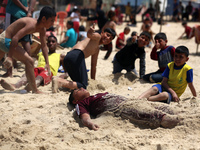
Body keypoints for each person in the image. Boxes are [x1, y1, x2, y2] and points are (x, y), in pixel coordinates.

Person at [0, 6, 56, 93]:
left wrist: (47, 63)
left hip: (4, 38)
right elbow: (15, 38)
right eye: (51, 20)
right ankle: (35, 90)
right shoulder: (32, 25)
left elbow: (44, 46)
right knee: (29, 61)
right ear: (44, 19)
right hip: (6, 40)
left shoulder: (42, 29)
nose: (53, 23)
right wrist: (10, 57)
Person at [68, 87, 180, 131]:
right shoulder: (81, 104)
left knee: (168, 109)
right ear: (75, 101)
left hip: (132, 101)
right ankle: (179, 122)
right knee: (157, 116)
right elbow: (84, 116)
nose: (81, 88)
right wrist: (90, 124)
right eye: (77, 91)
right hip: (121, 109)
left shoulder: (94, 96)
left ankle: (182, 118)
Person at [52, 26, 116, 93]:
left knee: (79, 83)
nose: (108, 38)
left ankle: (59, 81)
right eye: (107, 35)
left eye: (110, 38)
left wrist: (93, 81)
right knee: (83, 86)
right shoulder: (98, 37)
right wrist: (90, 31)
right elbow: (90, 35)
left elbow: (93, 66)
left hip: (68, 58)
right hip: (77, 56)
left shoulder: (97, 49)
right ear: (102, 33)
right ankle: (59, 81)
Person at [0, 35, 67, 92]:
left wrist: (63, 76)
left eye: (53, 42)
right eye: (49, 42)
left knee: (40, 77)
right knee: (26, 76)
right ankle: (15, 85)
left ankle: (29, 87)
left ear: (57, 44)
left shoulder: (60, 56)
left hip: (49, 71)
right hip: (38, 68)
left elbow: (67, 71)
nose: (51, 43)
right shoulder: (40, 54)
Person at [3, 0, 36, 77]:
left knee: (8, 39)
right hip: (25, 16)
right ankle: (29, 70)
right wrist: (29, 11)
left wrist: (25, 8)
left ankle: (9, 71)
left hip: (13, 13)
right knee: (26, 42)